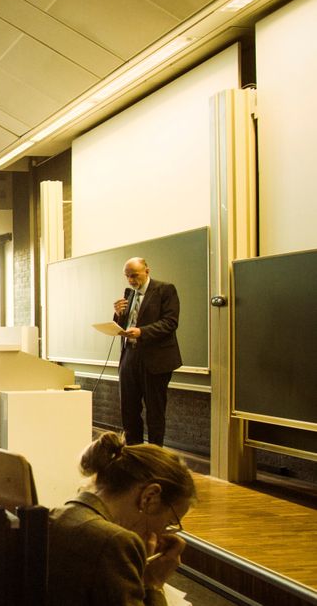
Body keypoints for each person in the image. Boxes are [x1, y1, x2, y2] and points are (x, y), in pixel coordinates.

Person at [48, 431, 194, 606]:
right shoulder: (115, 543)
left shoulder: (54, 517)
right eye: (170, 522)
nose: (163, 533)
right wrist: (152, 584)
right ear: (150, 497)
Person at [113, 257, 181, 446]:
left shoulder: (165, 290)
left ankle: (153, 457)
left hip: (156, 360)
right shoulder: (129, 294)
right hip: (130, 356)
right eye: (127, 276)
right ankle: (134, 453)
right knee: (129, 409)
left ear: (147, 271)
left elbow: (170, 322)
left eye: (134, 275)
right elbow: (123, 325)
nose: (131, 280)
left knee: (155, 412)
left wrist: (142, 332)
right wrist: (118, 314)